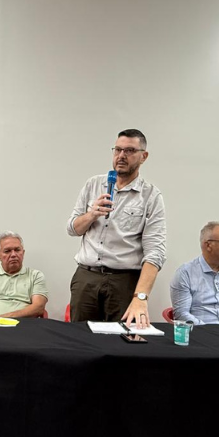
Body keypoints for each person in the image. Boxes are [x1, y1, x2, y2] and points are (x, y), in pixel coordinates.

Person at [66, 129, 166, 328]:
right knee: (79, 338)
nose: (121, 156)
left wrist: (141, 297)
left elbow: (155, 252)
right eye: (118, 150)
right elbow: (72, 229)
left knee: (121, 339)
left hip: (124, 282)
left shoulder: (151, 196)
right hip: (87, 277)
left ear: (144, 156)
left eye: (129, 150)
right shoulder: (93, 184)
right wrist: (91, 214)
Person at [169, 221, 219, 325]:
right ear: (208, 245)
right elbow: (182, 314)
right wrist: (208, 330)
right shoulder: (185, 273)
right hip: (200, 331)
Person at [0, 231, 48, 318]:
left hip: (24, 323)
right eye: (7, 251)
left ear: (23, 253)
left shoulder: (36, 276)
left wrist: (6, 318)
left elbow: (38, 307)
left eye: (17, 250)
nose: (13, 255)